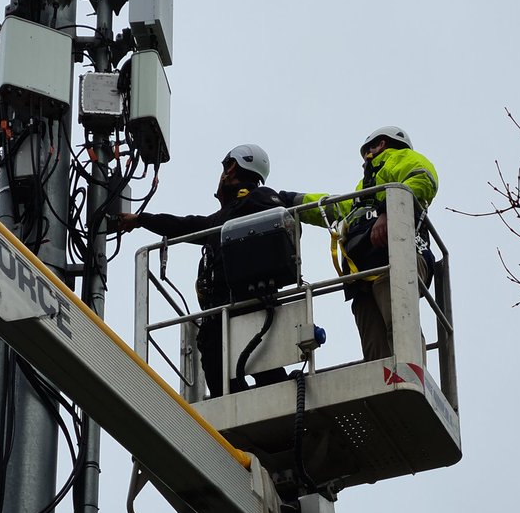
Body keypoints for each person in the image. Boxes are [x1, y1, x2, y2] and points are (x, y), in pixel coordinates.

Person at [117, 144, 290, 397]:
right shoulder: (222, 219)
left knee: (260, 373)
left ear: (232, 167)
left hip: (248, 307)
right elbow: (185, 225)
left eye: (225, 167)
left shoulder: (257, 199)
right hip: (223, 314)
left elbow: (276, 215)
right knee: (225, 376)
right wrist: (142, 220)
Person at [281, 125, 438, 362]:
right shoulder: (365, 191)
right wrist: (293, 200)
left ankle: (412, 373)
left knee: (400, 328)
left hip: (397, 257)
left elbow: (422, 179)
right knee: (374, 347)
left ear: (381, 145)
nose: (364, 161)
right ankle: (386, 388)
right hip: (364, 273)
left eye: (367, 152)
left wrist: (388, 212)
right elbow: (335, 208)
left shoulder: (401, 158)